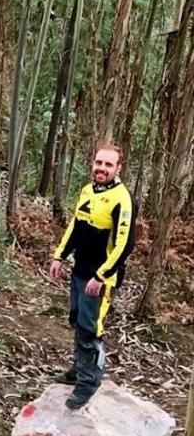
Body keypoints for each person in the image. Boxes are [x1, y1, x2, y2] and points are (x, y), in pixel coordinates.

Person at [49, 144, 135, 409]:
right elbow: (75, 226)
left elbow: (125, 244)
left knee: (90, 329)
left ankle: (89, 382)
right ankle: (78, 368)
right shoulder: (88, 190)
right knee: (77, 320)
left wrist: (102, 275)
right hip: (80, 270)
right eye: (99, 162)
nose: (102, 168)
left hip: (100, 279)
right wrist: (59, 256)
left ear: (118, 168)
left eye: (108, 165)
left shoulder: (123, 199)